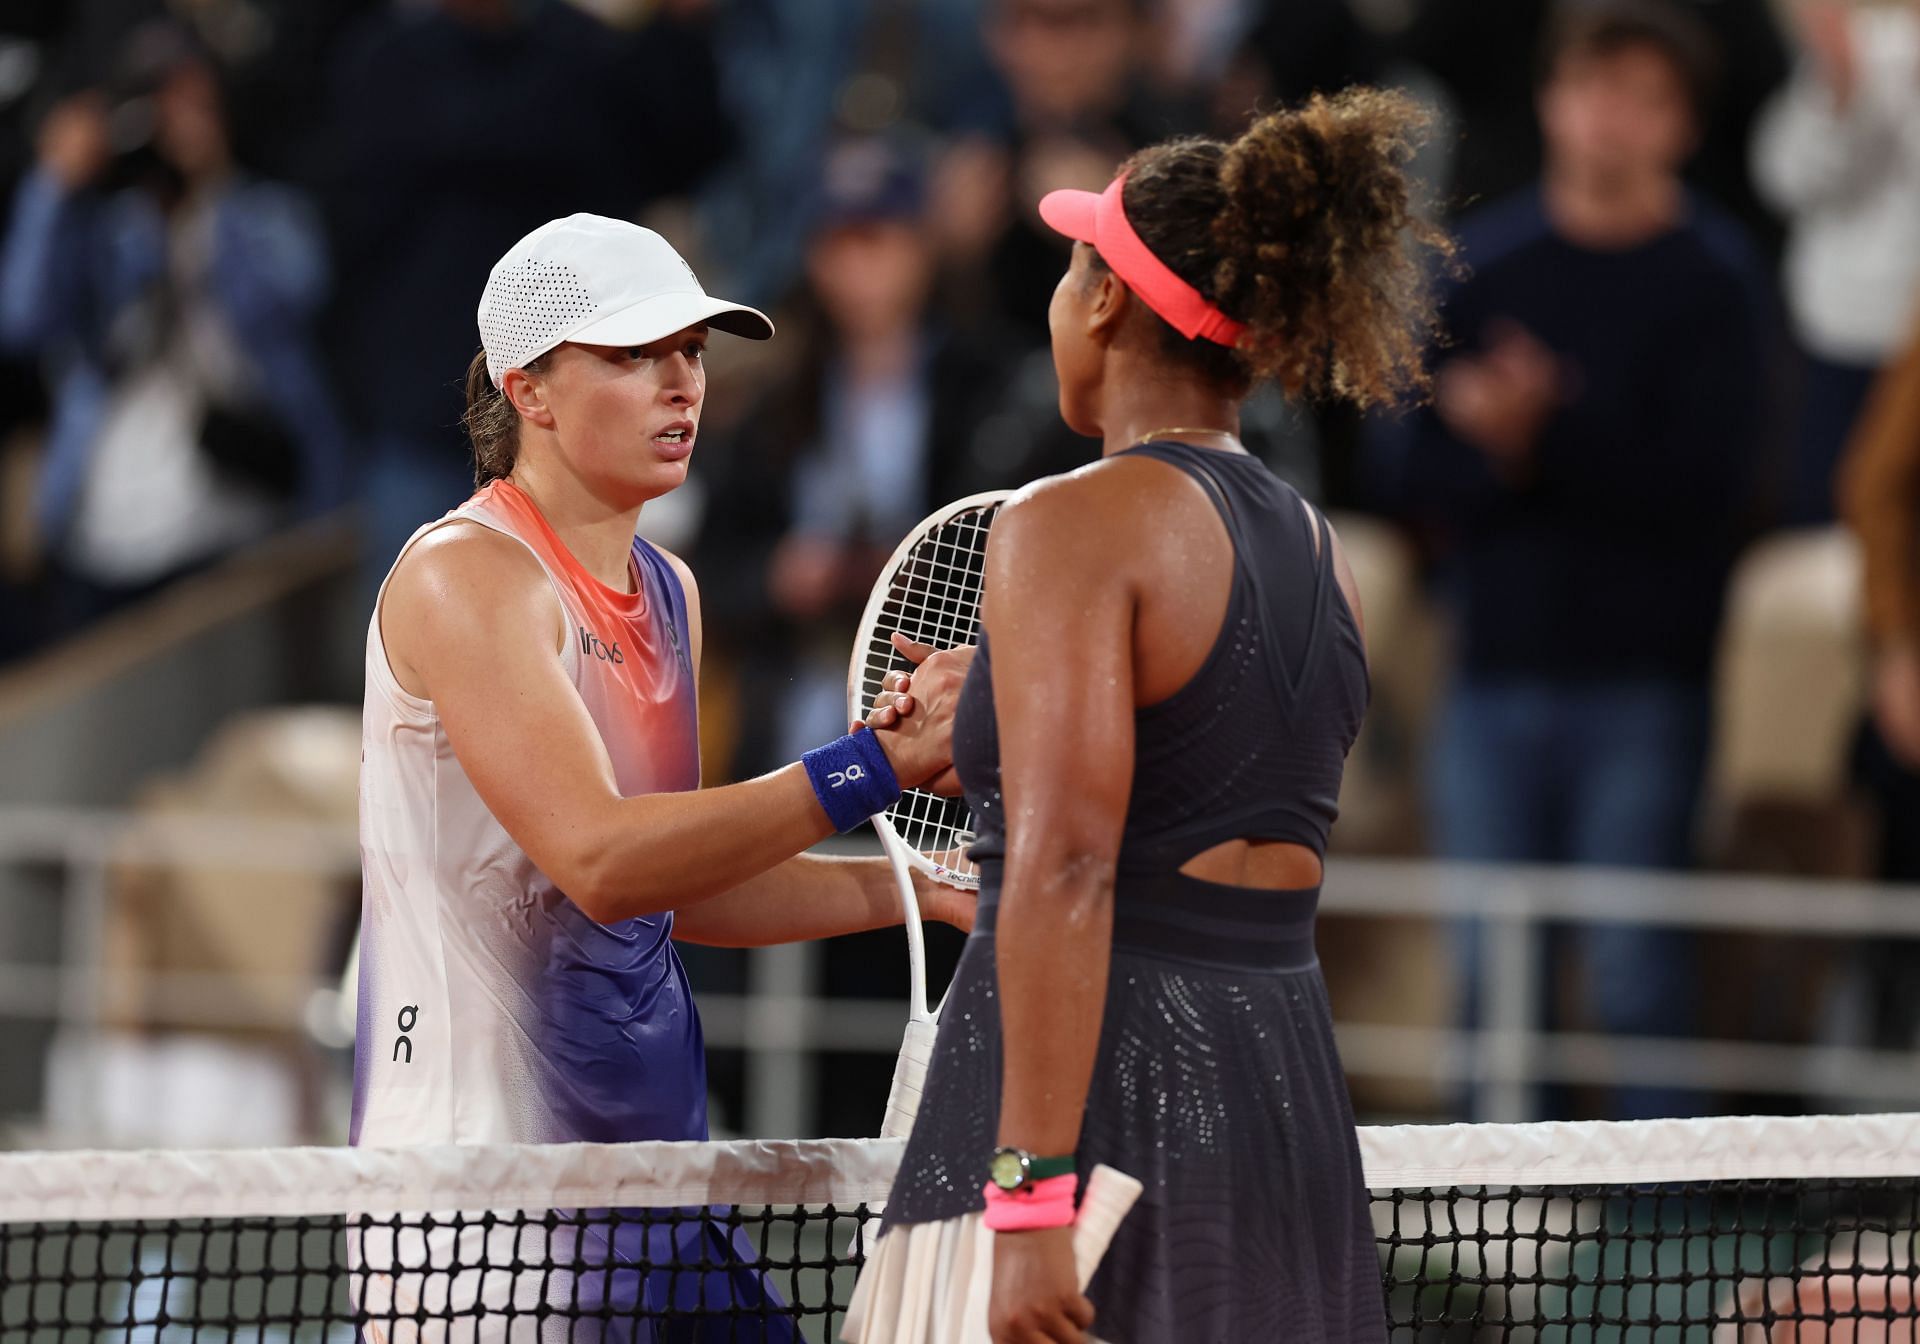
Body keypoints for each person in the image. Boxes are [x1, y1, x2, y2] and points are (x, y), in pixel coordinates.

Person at [843, 90, 1450, 1344]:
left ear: (1108, 300)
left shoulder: (1065, 523)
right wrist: (995, 721)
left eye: (1073, 272)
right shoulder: (1319, 549)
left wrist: (1026, 1205)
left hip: (1093, 1086)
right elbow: (1198, 778)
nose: (1059, 303)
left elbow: (1068, 867)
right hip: (1280, 1092)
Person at [352, 213, 971, 1333]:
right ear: (528, 389)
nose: (681, 384)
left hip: (654, 1180)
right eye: (634, 355)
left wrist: (913, 891)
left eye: (690, 351)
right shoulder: (468, 577)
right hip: (489, 1220)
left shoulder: (670, 593)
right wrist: (874, 766)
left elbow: (672, 889)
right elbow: (601, 860)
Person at [1364, 0, 1772, 1122]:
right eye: (1594, 89)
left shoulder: (1715, 281)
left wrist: (1542, 437)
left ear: (1683, 124)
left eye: (1644, 98)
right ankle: (1503, 1269)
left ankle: (1667, 1260)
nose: (1611, 122)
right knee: (1494, 987)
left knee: (1638, 972)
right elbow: (1407, 473)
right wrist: (1496, 455)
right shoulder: (1484, 268)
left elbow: (1712, 489)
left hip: (1645, 682)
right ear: (1551, 99)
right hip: (1489, 671)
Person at [0, 25, 349, 632]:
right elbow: (23, 319)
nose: (175, 127)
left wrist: (208, 191)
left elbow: (288, 299)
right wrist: (55, 186)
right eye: (157, 109)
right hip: (106, 530)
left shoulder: (267, 217)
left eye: (196, 106)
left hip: (240, 519)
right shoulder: (103, 231)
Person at [1752, 0, 1920, 524]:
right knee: (1828, 513)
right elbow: (1786, 177)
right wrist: (1842, 85)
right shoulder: (1872, 42)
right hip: (1843, 332)